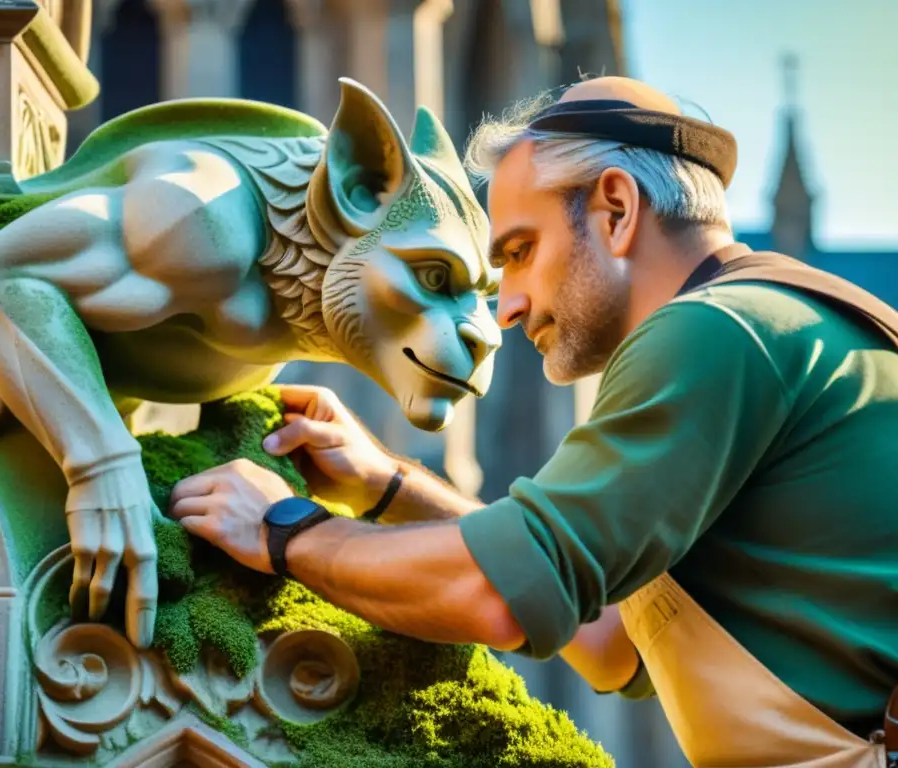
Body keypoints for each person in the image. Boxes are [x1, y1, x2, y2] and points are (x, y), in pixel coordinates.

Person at [166, 76, 898, 767]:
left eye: (520, 252)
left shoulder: (715, 333)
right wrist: (390, 486)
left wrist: (283, 530)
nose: (506, 308)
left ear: (616, 209)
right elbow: (613, 638)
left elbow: (497, 596)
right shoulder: (778, 319)